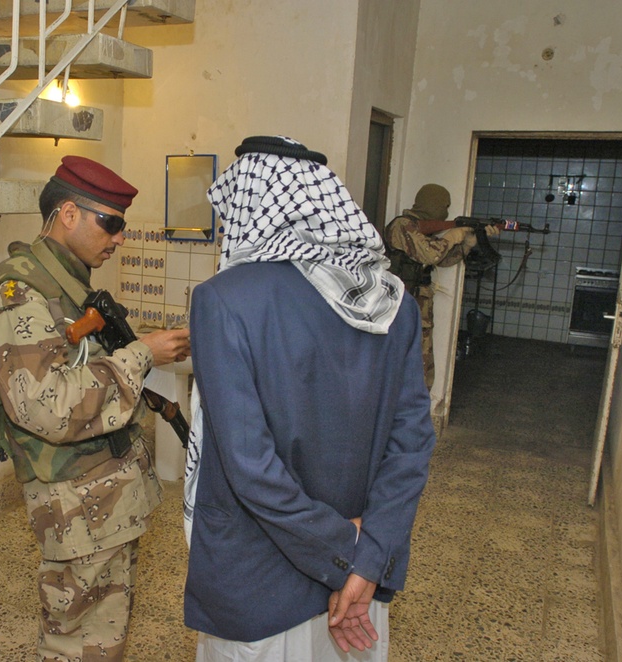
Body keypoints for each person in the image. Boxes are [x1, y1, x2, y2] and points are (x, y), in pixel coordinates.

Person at [183, 136, 436, 661]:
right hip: (362, 580)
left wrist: (345, 551)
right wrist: (368, 557)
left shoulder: (223, 301)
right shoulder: (394, 304)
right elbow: (411, 443)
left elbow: (250, 467)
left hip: (260, 582)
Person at [0, 155, 191, 661]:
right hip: (75, 503)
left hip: (103, 497)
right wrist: (143, 355)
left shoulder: (68, 284)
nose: (119, 238)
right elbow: (47, 406)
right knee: (77, 642)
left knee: (103, 635)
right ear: (68, 214)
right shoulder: (21, 291)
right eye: (110, 223)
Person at [383, 183, 500, 389]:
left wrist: (466, 246)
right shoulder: (403, 226)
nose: (446, 211)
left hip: (420, 302)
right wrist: (452, 236)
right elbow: (430, 253)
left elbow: (440, 260)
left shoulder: (420, 229)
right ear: (431, 203)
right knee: (400, 362)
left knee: (422, 363)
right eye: (444, 205)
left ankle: (418, 410)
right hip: (399, 306)